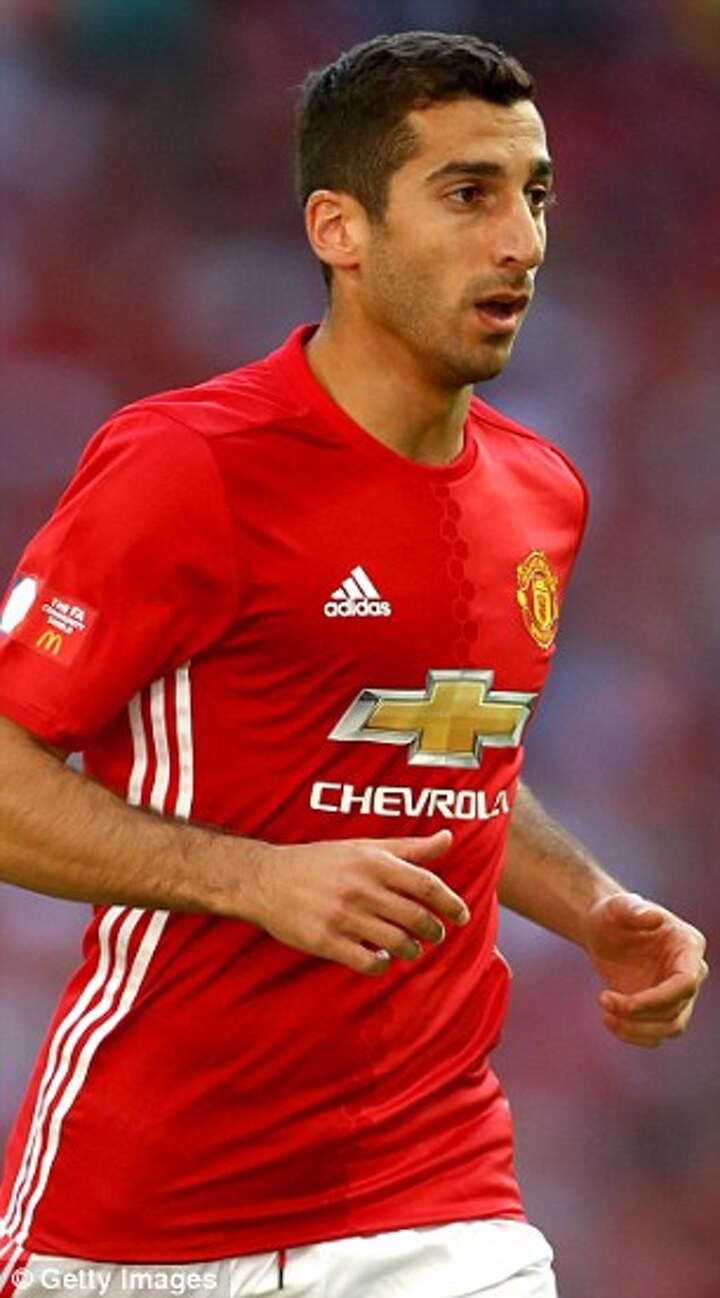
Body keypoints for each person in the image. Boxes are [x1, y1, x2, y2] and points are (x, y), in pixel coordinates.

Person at [0, 30, 708, 1298]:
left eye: (536, 193)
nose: (522, 240)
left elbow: (452, 753)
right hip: (147, 1212)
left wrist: (593, 902)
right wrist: (255, 878)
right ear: (340, 228)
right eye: (468, 193)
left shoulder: (541, 492)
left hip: (438, 1203)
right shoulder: (190, 464)